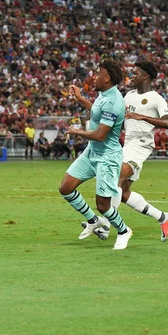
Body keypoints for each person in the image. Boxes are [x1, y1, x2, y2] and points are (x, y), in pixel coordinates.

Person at [84, 61, 168, 242]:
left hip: (141, 144)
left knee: (115, 179)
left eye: (135, 73)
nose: (131, 76)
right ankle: (163, 217)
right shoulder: (128, 96)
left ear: (145, 76)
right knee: (124, 193)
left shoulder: (155, 98)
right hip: (128, 144)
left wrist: (142, 117)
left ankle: (105, 226)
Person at [58, 59, 133, 250]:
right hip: (92, 152)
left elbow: (100, 135)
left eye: (98, 73)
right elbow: (96, 111)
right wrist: (81, 98)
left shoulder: (114, 101)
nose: (94, 76)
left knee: (103, 205)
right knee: (66, 188)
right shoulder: (103, 95)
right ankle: (93, 221)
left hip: (107, 156)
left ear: (106, 78)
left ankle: (124, 231)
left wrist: (77, 132)